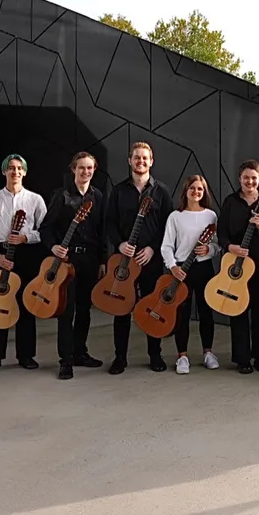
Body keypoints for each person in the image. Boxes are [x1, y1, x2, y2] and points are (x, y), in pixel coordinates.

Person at [0, 154, 48, 375]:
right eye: (11, 168)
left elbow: (46, 232)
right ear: (4, 171)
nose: (15, 172)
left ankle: (26, 355)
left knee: (26, 305)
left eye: (19, 168)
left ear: (24, 172)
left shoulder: (35, 200)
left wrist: (26, 238)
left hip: (26, 254)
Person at [106, 142, 174, 375]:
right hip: (124, 260)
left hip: (150, 260)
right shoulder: (118, 190)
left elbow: (168, 226)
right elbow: (110, 223)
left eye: (145, 158)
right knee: (121, 307)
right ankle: (120, 357)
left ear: (151, 161)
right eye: (136, 158)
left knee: (153, 307)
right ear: (129, 161)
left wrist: (153, 249)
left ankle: (155, 355)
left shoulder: (161, 192)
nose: (141, 162)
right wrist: (120, 244)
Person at [39, 151, 107, 380]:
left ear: (94, 170)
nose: (86, 172)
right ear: (73, 170)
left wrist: (103, 261)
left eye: (90, 168)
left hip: (89, 260)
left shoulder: (98, 196)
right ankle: (65, 360)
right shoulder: (62, 196)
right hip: (67, 262)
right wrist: (53, 247)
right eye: (82, 168)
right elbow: (46, 228)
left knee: (85, 309)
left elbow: (102, 231)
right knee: (66, 311)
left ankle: (80, 353)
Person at [219, 160, 259, 374]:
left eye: (254, 178)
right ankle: (242, 358)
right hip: (236, 264)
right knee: (238, 309)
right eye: (246, 178)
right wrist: (230, 247)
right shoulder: (230, 201)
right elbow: (221, 232)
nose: (250, 181)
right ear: (239, 179)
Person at [162, 175, 220, 375]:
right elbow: (166, 246)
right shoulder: (175, 216)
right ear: (185, 190)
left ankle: (208, 353)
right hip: (181, 270)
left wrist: (210, 251)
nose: (196, 192)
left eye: (200, 189)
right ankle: (182, 356)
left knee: (206, 312)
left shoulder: (211, 216)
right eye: (193, 188)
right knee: (182, 313)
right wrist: (172, 267)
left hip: (204, 268)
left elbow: (216, 245)